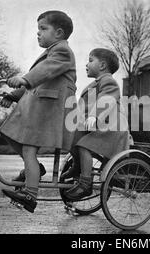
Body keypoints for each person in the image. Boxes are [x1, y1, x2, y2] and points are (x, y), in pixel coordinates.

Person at [0, 10, 77, 213]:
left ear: (59, 33)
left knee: (28, 149)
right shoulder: (52, 51)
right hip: (42, 108)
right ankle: (34, 169)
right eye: (38, 29)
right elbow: (37, 82)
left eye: (43, 28)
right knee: (11, 135)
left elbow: (44, 72)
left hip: (52, 111)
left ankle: (30, 195)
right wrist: (12, 96)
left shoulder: (62, 52)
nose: (38, 33)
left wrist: (25, 79)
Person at [61, 48, 130, 200]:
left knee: (84, 145)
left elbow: (107, 99)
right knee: (73, 138)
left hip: (112, 128)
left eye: (91, 60)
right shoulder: (95, 84)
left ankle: (85, 184)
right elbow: (82, 107)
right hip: (101, 126)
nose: (87, 64)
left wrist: (94, 116)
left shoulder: (108, 81)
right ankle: (78, 167)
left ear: (102, 65)